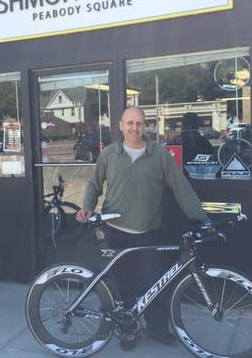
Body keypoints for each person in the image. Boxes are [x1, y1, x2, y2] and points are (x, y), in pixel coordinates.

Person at [76, 106, 209, 351]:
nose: (135, 128)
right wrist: (87, 207)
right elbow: (94, 184)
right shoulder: (109, 154)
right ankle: (127, 332)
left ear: (145, 125)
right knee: (124, 284)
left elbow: (181, 187)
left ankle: (157, 329)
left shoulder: (158, 153)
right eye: (130, 123)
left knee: (154, 283)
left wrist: (200, 217)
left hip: (149, 232)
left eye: (139, 123)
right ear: (121, 125)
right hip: (116, 230)